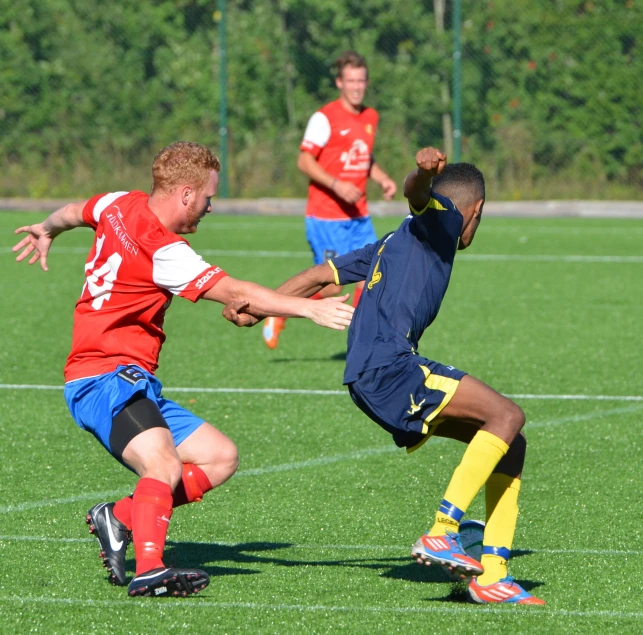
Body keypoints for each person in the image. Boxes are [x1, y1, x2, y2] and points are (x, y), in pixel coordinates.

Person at [12, 141, 354, 598]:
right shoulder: (162, 249)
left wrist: (46, 229)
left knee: (220, 456)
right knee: (163, 462)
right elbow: (235, 291)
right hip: (101, 377)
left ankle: (121, 517)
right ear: (187, 194)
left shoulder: (120, 202)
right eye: (209, 197)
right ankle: (150, 570)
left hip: (131, 379)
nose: (211, 206)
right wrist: (306, 310)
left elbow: (74, 210)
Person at [227, 147, 545, 605]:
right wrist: (421, 175)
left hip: (369, 375)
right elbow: (418, 195)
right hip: (390, 367)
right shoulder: (444, 222)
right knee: (507, 416)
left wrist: (259, 309)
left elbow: (321, 275)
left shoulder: (392, 242)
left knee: (511, 444)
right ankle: (443, 529)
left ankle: (493, 574)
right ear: (475, 210)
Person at [262, 50, 397, 350]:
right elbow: (304, 161)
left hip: (358, 217)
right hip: (327, 218)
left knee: (372, 275)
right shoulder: (324, 118)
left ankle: (362, 341)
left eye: (361, 80)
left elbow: (364, 156)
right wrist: (337, 185)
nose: (356, 86)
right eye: (350, 81)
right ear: (339, 82)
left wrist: (382, 177)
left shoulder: (370, 117)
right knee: (332, 284)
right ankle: (278, 312)